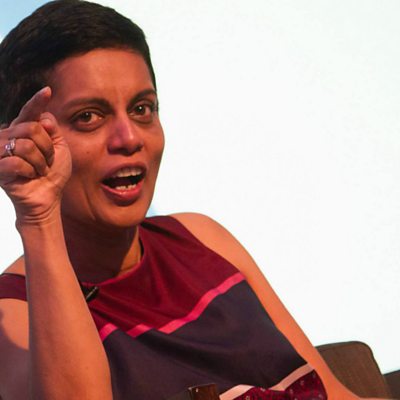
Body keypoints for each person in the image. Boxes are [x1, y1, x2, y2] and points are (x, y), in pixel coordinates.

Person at [0, 1, 384, 399]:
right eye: (88, 117)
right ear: (23, 139)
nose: (129, 138)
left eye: (142, 109)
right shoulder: (12, 313)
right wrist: (38, 216)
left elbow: (333, 392)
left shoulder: (200, 237)